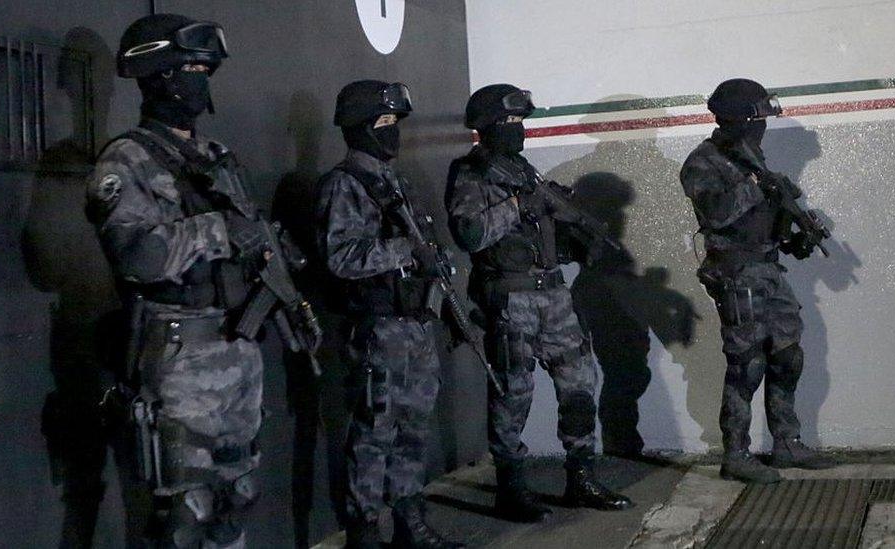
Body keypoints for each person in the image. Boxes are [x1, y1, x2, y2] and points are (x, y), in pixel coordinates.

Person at [86, 14, 320, 546]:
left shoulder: (217, 158)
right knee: (186, 512)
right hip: (180, 358)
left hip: (237, 347)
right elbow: (136, 257)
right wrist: (218, 230)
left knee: (238, 493)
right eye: (191, 68)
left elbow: (250, 239)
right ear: (160, 75)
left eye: (204, 70)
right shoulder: (126, 160)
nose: (200, 81)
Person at [445, 84, 634, 523]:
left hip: (553, 294)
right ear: (487, 127)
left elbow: (542, 227)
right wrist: (519, 204)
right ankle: (511, 487)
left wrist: (571, 231)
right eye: (509, 123)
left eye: (519, 123)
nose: (517, 130)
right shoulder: (471, 173)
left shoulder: (522, 169)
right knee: (514, 394)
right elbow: (470, 234)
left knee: (581, 383)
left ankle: (581, 476)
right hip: (511, 297)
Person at [316, 80, 462, 549]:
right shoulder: (345, 184)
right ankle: (364, 530)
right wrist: (407, 250)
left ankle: (409, 523)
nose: (393, 133)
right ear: (359, 128)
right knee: (373, 434)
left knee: (412, 431)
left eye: (396, 123)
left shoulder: (395, 182)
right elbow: (341, 257)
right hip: (378, 328)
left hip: (413, 324)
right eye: (383, 123)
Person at [679, 78, 835, 484]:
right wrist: (755, 186)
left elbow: (764, 218)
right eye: (758, 118)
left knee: (788, 355)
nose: (763, 126)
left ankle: (786, 442)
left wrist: (795, 234)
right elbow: (716, 214)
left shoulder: (753, 158)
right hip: (736, 274)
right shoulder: (704, 161)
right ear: (740, 120)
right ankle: (736, 454)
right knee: (746, 364)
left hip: (767, 269)